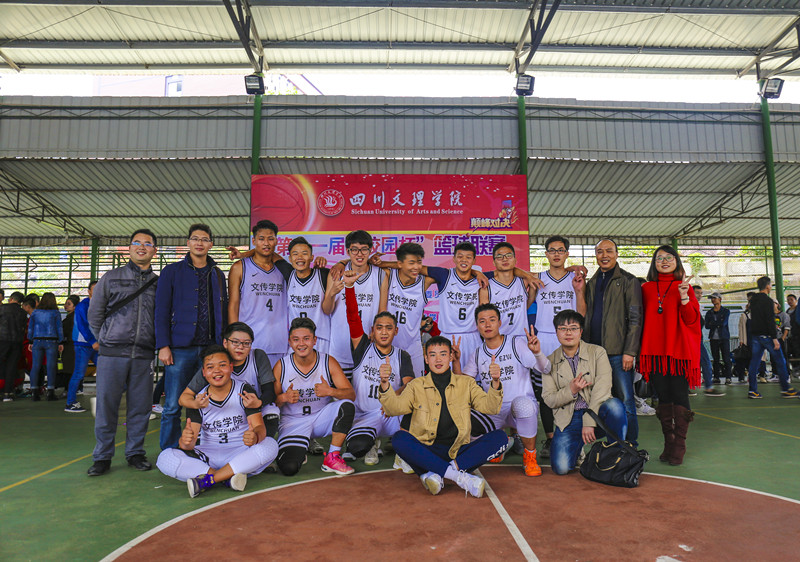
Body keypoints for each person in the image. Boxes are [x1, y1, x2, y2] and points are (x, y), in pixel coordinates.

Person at [379, 336, 508, 497]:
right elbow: (393, 409)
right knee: (399, 439)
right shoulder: (416, 386)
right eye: (432, 355)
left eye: (443, 354)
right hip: (427, 449)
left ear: (451, 357)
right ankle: (459, 477)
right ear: (426, 359)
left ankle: (434, 473)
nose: (438, 359)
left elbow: (491, 407)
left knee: (500, 438)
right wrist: (384, 383)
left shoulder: (466, 383)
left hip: (458, 451)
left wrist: (495, 382)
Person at [156, 345, 279, 498]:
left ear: (231, 367)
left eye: (222, 365)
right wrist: (185, 441)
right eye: (210, 367)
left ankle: (208, 480)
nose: (217, 371)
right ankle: (227, 478)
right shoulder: (199, 399)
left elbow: (260, 427)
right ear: (203, 372)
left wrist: (255, 436)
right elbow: (188, 445)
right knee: (165, 457)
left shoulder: (244, 390)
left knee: (270, 445)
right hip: (207, 456)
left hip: (240, 452)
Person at [87, 229, 159, 476]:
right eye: (136, 242)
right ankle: (102, 456)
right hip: (112, 354)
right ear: (129, 248)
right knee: (107, 406)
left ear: (154, 251)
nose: (142, 247)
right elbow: (95, 314)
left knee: (140, 407)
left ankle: (135, 453)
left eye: (147, 243)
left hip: (143, 355)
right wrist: (105, 338)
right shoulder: (111, 278)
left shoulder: (158, 283)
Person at [156, 223, 228, 451]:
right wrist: (163, 345)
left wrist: (222, 345)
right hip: (180, 348)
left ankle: (201, 447)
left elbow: (223, 311)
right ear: (188, 243)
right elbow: (161, 310)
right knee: (172, 404)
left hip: (210, 350)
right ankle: (169, 451)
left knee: (205, 403)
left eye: (204, 239)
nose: (199, 243)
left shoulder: (217, 274)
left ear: (211, 244)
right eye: (195, 239)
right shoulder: (172, 272)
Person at [463, 303, 550, 476]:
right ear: (477, 326)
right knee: (465, 415)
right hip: (494, 410)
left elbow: (545, 369)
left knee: (523, 405)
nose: (487, 325)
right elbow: (463, 384)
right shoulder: (478, 353)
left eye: (492, 320)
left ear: (499, 323)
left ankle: (530, 457)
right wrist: (456, 362)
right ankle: (500, 446)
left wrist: (537, 353)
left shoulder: (516, 343)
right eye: (482, 321)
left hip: (518, 408)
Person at [542, 309, 628, 475]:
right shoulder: (549, 362)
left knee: (615, 406)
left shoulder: (598, 352)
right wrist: (571, 390)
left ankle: (616, 454)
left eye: (573, 328)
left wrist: (589, 421)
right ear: (556, 332)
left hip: (597, 412)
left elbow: (603, 389)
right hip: (569, 418)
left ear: (581, 331)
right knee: (561, 468)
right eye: (563, 329)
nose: (568, 333)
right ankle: (578, 447)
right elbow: (549, 399)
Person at [341, 270, 414, 465]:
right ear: (372, 331)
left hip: (391, 414)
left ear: (395, 331)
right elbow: (353, 318)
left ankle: (402, 449)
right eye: (379, 327)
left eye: (389, 328)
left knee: (418, 406)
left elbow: (409, 385)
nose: (384, 332)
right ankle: (372, 442)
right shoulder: (362, 347)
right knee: (357, 448)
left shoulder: (402, 355)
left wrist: (393, 398)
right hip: (365, 415)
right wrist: (349, 287)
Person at [639, 246, 701, 466]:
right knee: (663, 397)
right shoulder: (646, 288)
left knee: (680, 395)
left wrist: (684, 297)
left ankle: (680, 444)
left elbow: (692, 320)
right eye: (659, 258)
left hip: (678, 352)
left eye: (669, 257)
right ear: (654, 263)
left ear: (677, 262)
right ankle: (669, 441)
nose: (664, 261)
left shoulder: (685, 287)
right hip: (655, 352)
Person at [273, 317, 357, 476]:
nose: (301, 344)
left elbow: (351, 395)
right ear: (290, 342)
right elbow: (271, 404)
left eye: (306, 338)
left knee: (346, 406)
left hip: (321, 418)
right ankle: (300, 448)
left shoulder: (328, 361)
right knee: (289, 468)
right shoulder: (281, 366)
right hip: (293, 422)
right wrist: (284, 398)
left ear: (314, 340)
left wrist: (331, 391)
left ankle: (332, 456)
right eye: (296, 339)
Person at [582, 238, 643, 446]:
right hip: (595, 354)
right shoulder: (592, 283)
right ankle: (612, 443)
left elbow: (635, 319)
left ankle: (630, 445)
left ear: (617, 254)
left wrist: (630, 351)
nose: (604, 255)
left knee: (625, 400)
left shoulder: (628, 281)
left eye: (609, 251)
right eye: (600, 251)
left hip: (618, 353)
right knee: (600, 400)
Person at [531, 235, 587, 457]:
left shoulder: (576, 278)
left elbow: (581, 312)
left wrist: (579, 290)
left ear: (566, 254)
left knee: (572, 389)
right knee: (546, 391)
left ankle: (573, 438)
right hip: (545, 338)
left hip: (568, 337)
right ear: (546, 254)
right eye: (552, 250)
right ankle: (550, 439)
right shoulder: (537, 278)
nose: (556, 254)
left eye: (560, 250)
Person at [179, 322, 278, 436]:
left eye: (246, 343)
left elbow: (270, 392)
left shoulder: (257, 356)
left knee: (270, 415)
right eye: (235, 342)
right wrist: (195, 404)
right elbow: (184, 397)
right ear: (225, 343)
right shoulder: (215, 361)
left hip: (254, 407)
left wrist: (259, 403)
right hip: (228, 412)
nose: (240, 347)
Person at [227, 219, 293, 366]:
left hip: (279, 343)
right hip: (248, 343)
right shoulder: (240, 268)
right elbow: (233, 305)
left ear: (276, 241)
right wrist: (234, 339)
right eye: (261, 239)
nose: (266, 243)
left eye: (270, 239)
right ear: (254, 241)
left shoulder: (283, 269)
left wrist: (244, 253)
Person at [745, 277, 798, 399]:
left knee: (754, 363)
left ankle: (752, 390)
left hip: (755, 336)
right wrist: (774, 338)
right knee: (780, 361)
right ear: (768, 286)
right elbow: (770, 320)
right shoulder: (768, 301)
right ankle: (786, 388)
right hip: (767, 336)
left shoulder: (753, 300)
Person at [65, 281, 99, 413]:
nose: (98, 291)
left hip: (95, 344)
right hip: (83, 344)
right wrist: (93, 341)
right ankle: (70, 403)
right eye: (94, 289)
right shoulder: (82, 306)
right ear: (89, 291)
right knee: (79, 373)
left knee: (104, 370)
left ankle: (106, 399)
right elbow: (82, 325)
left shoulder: (101, 304)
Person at [27, 292, 63, 401]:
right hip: (51, 341)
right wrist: (61, 341)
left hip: (37, 340)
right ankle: (50, 392)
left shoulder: (35, 312)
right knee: (51, 366)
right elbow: (59, 328)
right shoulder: (55, 313)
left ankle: (34, 392)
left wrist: (30, 341)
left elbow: (30, 328)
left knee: (35, 366)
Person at [693, 285, 723, 396]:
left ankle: (708, 386)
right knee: (704, 362)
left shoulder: (698, 307)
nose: (700, 295)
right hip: (693, 339)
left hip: (697, 339)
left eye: (701, 293)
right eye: (697, 293)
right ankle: (708, 387)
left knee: (703, 362)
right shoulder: (690, 306)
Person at [0, 291, 28, 401]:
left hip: (2, 341)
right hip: (17, 342)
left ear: (11, 299)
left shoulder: (2, 308)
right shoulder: (23, 313)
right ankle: (7, 393)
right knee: (11, 367)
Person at [705, 291, 732, 387]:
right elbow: (707, 325)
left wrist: (713, 323)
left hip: (724, 338)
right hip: (713, 338)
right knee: (715, 359)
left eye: (714, 298)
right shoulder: (709, 312)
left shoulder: (726, 311)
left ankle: (728, 377)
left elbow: (723, 323)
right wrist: (717, 323)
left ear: (720, 299)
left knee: (726, 358)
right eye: (712, 298)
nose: (713, 300)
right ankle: (716, 377)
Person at [59, 295, 80, 388]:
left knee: (69, 367)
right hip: (71, 344)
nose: (65, 306)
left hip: (70, 344)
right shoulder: (72, 317)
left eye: (69, 304)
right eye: (65, 303)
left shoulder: (72, 318)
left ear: (75, 306)